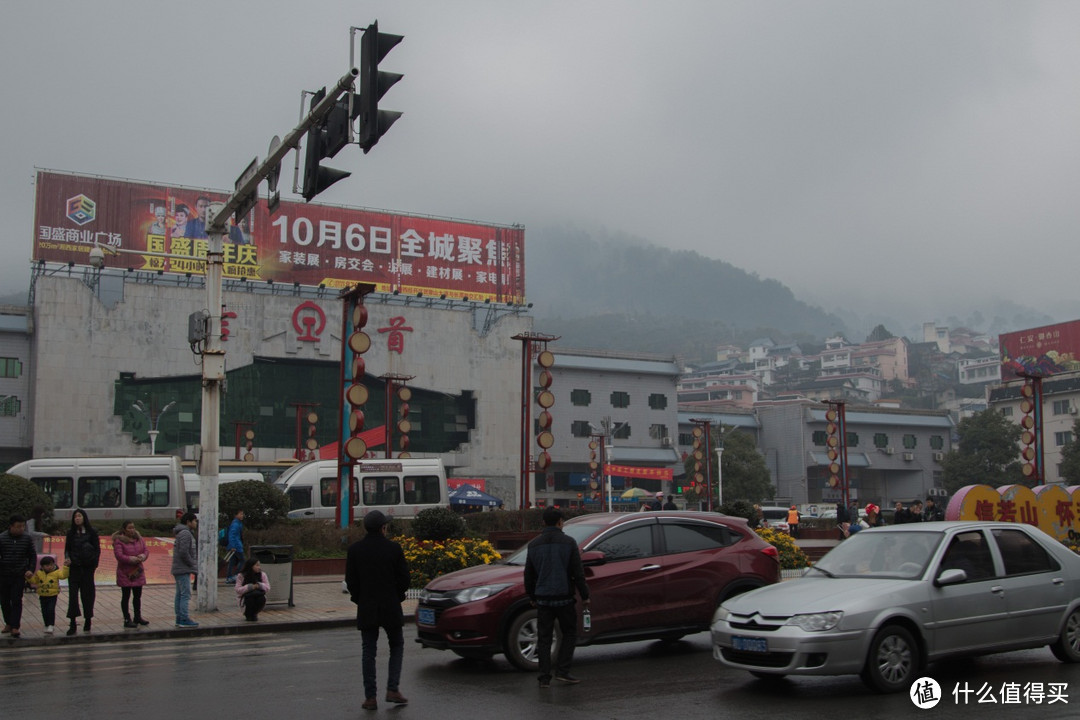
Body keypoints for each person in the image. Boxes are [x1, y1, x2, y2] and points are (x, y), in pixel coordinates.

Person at [345, 510, 410, 710]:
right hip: (390, 605)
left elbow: (351, 581)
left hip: (367, 607)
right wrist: (397, 596)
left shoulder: (355, 550)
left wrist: (360, 599)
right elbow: (405, 580)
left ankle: (370, 697)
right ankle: (392, 689)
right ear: (383, 528)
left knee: (368, 651)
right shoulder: (394, 549)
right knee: (396, 645)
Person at [524, 507, 590, 689]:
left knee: (544, 638)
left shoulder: (533, 545)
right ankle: (563, 671)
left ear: (544, 522)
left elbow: (528, 575)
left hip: (543, 599)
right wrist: (585, 595)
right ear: (560, 522)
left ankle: (544, 677)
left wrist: (531, 595)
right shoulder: (569, 543)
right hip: (564, 598)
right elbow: (578, 573)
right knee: (569, 633)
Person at [0, 514, 37, 638]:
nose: (21, 529)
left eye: (23, 526)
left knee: (16, 600)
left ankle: (15, 626)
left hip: (19, 574)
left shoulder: (27, 538)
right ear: (11, 526)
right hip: (4, 574)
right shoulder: (2, 538)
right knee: (4, 601)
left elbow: (32, 555)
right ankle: (8, 623)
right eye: (18, 526)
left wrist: (30, 569)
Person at [64, 508, 100, 636]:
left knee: (88, 595)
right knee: (73, 596)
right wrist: (67, 558)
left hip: (87, 569)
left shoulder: (91, 532)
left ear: (84, 517)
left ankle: (88, 620)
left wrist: (94, 564)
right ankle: (72, 623)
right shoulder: (71, 533)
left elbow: (97, 549)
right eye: (75, 517)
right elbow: (67, 549)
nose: (77, 518)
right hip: (74, 569)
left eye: (79, 516)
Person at [113, 520, 150, 628]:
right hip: (125, 572)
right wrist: (130, 559)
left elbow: (146, 550)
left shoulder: (139, 538)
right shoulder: (119, 541)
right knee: (126, 596)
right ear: (124, 529)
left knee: (137, 596)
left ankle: (137, 617)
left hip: (137, 572)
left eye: (133, 527)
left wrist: (143, 556)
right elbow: (119, 555)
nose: (132, 530)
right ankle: (127, 619)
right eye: (129, 528)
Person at [171, 512, 199, 628]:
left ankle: (179, 618)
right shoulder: (186, 533)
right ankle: (183, 618)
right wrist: (192, 564)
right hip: (182, 569)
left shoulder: (183, 533)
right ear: (188, 522)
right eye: (194, 521)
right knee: (185, 594)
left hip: (180, 568)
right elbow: (183, 552)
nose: (196, 523)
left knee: (180, 594)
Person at [29, 555, 69, 634]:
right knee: (44, 610)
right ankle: (46, 624)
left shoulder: (56, 572)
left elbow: (64, 576)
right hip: (42, 595)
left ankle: (51, 625)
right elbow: (34, 581)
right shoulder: (39, 573)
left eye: (51, 565)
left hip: (52, 595)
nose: (49, 567)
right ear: (42, 566)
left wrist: (66, 567)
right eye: (47, 565)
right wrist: (28, 577)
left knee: (50, 609)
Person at [235, 557, 270, 621]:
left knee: (261, 598)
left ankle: (254, 613)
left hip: (258, 594)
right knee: (249, 599)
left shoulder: (262, 575)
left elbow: (267, 587)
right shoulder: (241, 575)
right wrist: (250, 587)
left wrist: (259, 585)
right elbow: (238, 589)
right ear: (251, 566)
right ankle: (248, 614)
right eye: (256, 565)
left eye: (259, 565)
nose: (259, 567)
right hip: (246, 596)